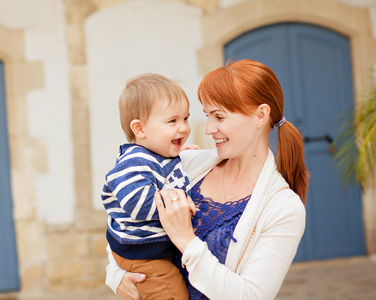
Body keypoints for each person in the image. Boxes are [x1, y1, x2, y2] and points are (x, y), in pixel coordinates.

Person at [106, 59, 308, 299]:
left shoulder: (283, 208)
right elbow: (123, 223)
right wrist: (115, 276)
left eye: (219, 117)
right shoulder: (186, 163)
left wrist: (185, 239)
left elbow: (251, 295)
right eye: (207, 116)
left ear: (260, 115)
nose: (208, 129)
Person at [102, 73, 197, 300]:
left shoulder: (158, 155)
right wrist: (180, 202)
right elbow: (140, 205)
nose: (183, 128)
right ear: (140, 129)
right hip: (142, 254)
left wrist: (177, 155)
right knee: (170, 291)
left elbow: (161, 172)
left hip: (151, 249)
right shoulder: (133, 163)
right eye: (172, 121)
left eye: (186, 118)